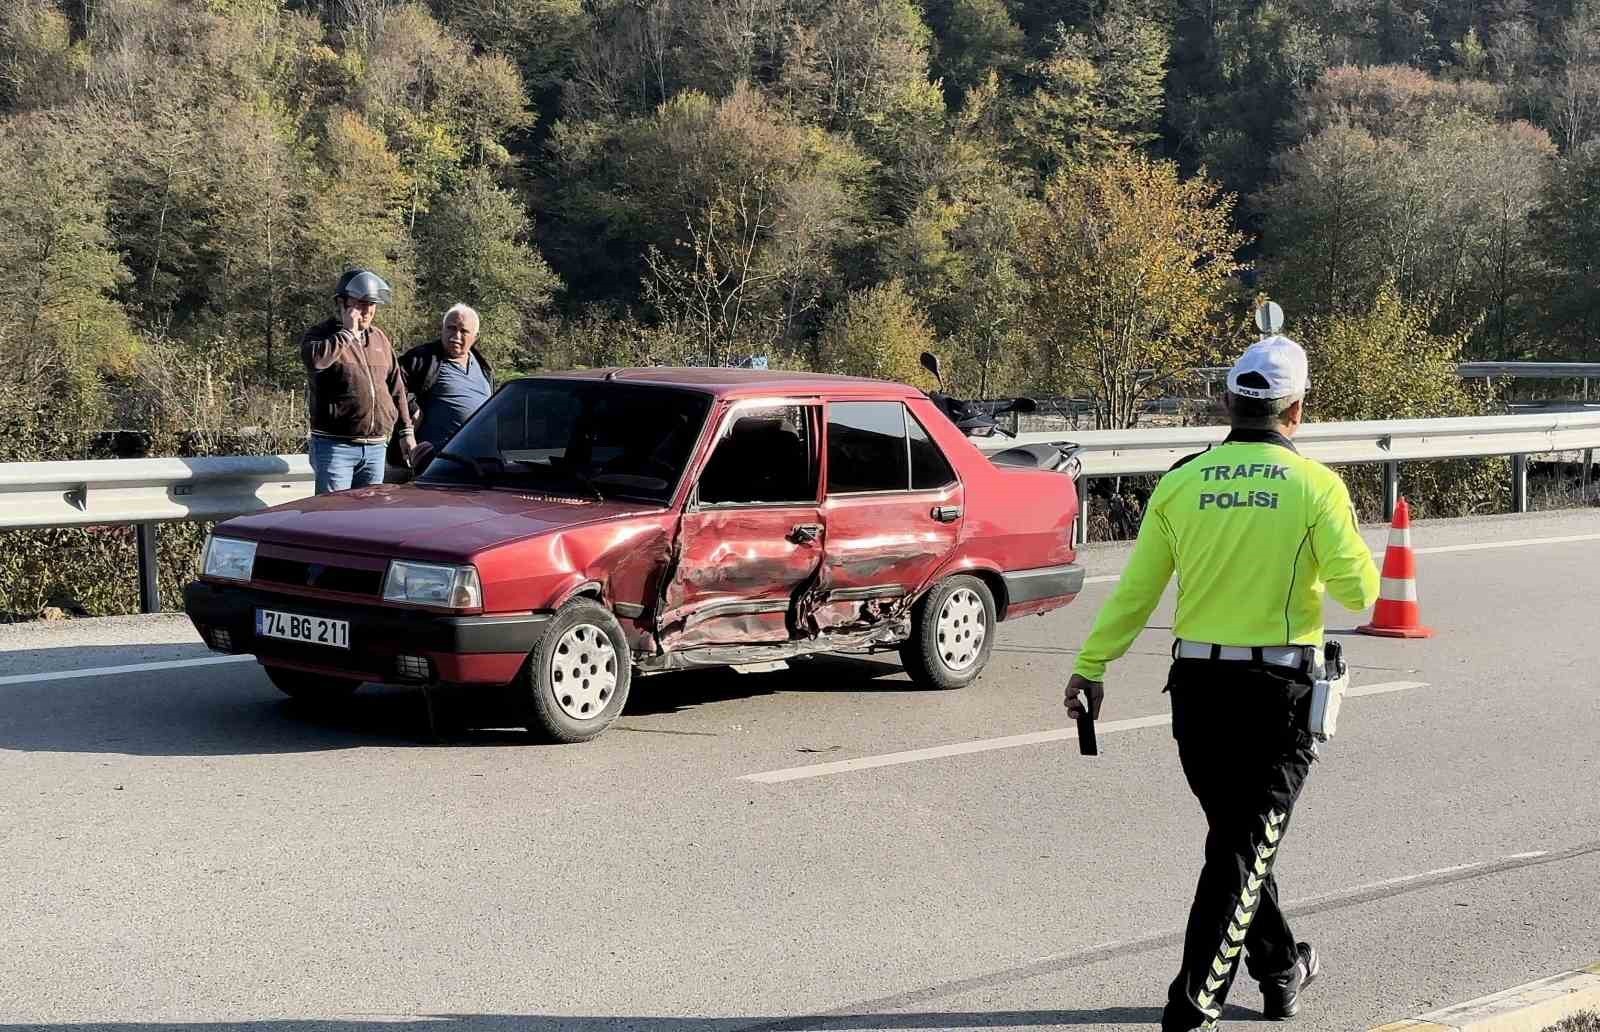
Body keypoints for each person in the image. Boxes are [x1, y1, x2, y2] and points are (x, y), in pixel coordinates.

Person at [1063, 335, 1379, 1031]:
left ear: (1228, 403)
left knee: (1235, 842)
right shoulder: (1315, 487)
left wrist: (1092, 666)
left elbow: (1135, 593)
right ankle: (1193, 1009)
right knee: (1240, 848)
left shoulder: (1182, 482)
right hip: (1279, 694)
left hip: (1198, 694)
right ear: (1296, 411)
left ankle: (1280, 967)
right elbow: (1360, 593)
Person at [300, 269, 416, 494]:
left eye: (372, 304)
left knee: (367, 520)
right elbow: (315, 360)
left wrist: (406, 432)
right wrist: (346, 334)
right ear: (341, 302)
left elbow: (396, 387)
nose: (368, 310)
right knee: (332, 516)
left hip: (376, 448)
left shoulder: (379, 338)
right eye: (361, 304)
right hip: (335, 447)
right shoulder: (321, 334)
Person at [397, 303, 495, 456]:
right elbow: (392, 384)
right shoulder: (422, 359)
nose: (456, 336)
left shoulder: (483, 367)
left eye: (464, 331)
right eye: (451, 328)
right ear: (442, 329)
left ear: (475, 338)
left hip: (477, 457)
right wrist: (411, 412)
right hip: (437, 461)